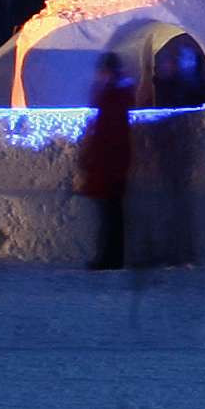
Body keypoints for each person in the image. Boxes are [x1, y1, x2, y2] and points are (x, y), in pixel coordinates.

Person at [76, 51, 134, 270]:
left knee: (111, 215)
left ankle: (110, 259)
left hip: (111, 164)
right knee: (110, 215)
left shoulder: (114, 96)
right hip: (110, 163)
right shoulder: (114, 95)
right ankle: (110, 257)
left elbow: (109, 133)